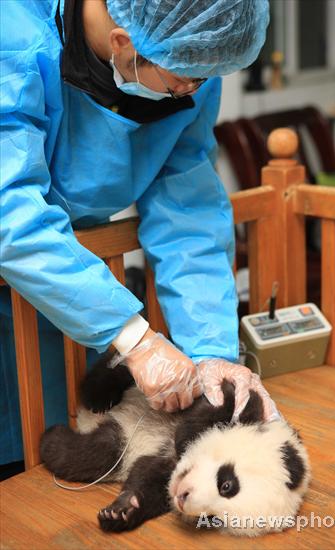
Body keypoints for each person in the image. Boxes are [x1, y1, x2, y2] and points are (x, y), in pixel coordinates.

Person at [0, 0, 269, 466]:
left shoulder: (183, 61)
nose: (195, 90)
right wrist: (136, 338)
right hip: (40, 258)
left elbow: (188, 212)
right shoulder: (15, 40)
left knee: (59, 443)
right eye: (183, 80)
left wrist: (213, 351)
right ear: (122, 43)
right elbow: (9, 209)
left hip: (74, 282)